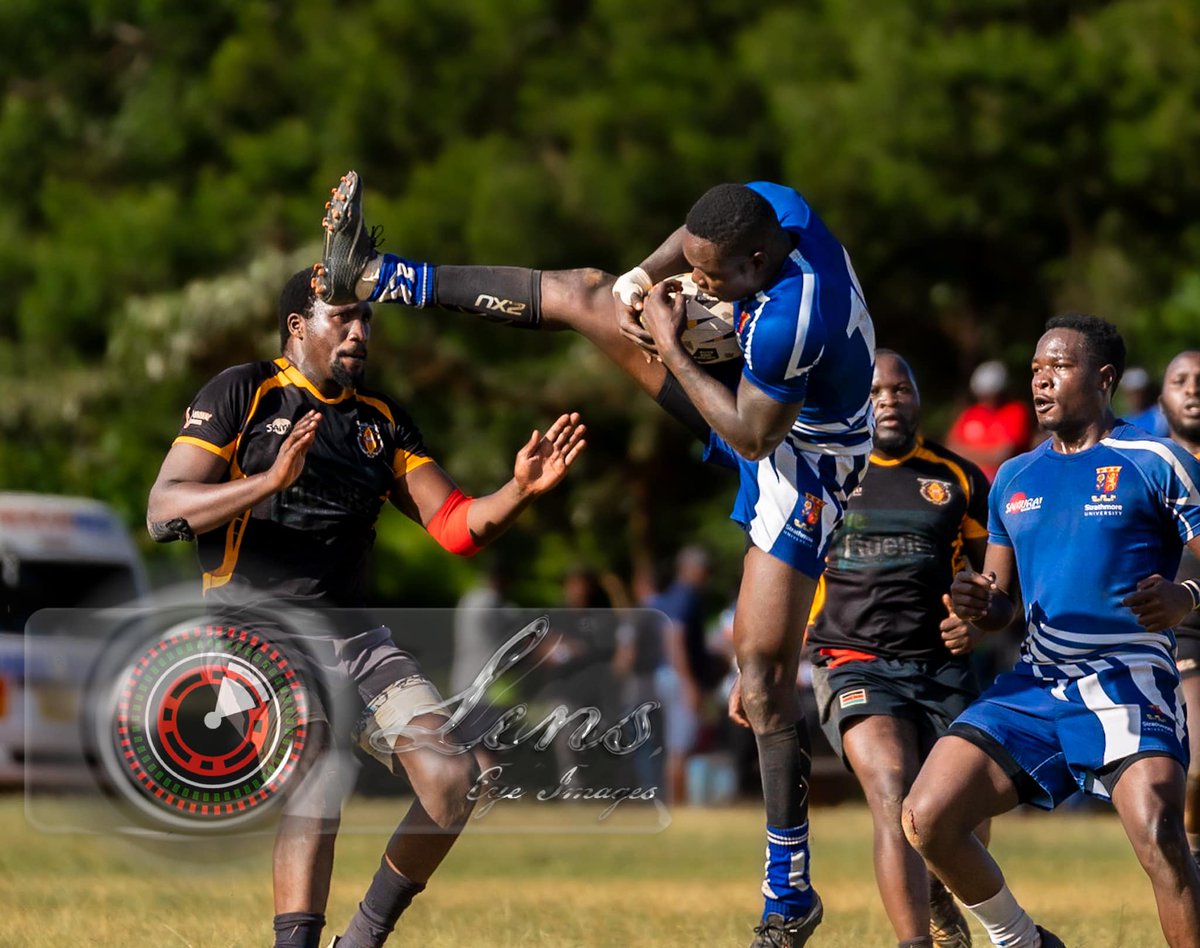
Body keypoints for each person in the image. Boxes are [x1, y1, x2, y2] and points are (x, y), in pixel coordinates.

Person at [312, 172, 876, 946]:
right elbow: (694, 239)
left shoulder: (794, 319)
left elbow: (751, 437)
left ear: (755, 261)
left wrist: (674, 342)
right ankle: (379, 275)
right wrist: (644, 279)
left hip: (807, 457)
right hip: (761, 403)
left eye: (715, 278)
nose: (700, 281)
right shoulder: (774, 213)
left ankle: (790, 893)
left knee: (762, 677)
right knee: (588, 293)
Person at [146, 268, 586, 948]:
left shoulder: (380, 422)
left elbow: (455, 526)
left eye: (367, 321)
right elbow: (163, 510)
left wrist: (519, 490)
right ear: (297, 326)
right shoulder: (242, 391)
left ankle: (362, 940)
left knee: (453, 778)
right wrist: (267, 481)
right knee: (315, 763)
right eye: (342, 318)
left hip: (353, 639)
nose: (359, 332)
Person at [903, 314, 1200, 948]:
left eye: (1058, 367)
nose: (1041, 380)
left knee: (1162, 839)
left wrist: (1184, 597)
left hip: (1128, 679)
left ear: (1104, 378)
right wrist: (976, 605)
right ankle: (1024, 942)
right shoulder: (1013, 478)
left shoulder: (1155, 460)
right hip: (1039, 682)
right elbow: (1001, 603)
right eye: (1035, 369)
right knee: (927, 818)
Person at [806, 350, 990, 948]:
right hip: (851, 658)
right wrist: (751, 666)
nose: (888, 399)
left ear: (918, 399)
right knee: (892, 787)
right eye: (876, 390)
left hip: (941, 666)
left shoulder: (959, 478)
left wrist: (980, 622)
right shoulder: (825, 473)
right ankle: (917, 943)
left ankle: (938, 885)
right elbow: (780, 576)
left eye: (900, 389)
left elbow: (998, 586)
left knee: (960, 817)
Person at [1159, 350, 1200, 866]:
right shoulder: (1147, 464)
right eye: (1181, 381)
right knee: (1196, 768)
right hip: (1184, 629)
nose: (1193, 390)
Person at [945, 360, 1032, 482]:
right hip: (967, 480)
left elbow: (1002, 456)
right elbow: (950, 449)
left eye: (989, 394)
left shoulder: (1016, 411)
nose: (984, 399)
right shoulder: (971, 413)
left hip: (1003, 481)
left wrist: (965, 453)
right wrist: (988, 453)